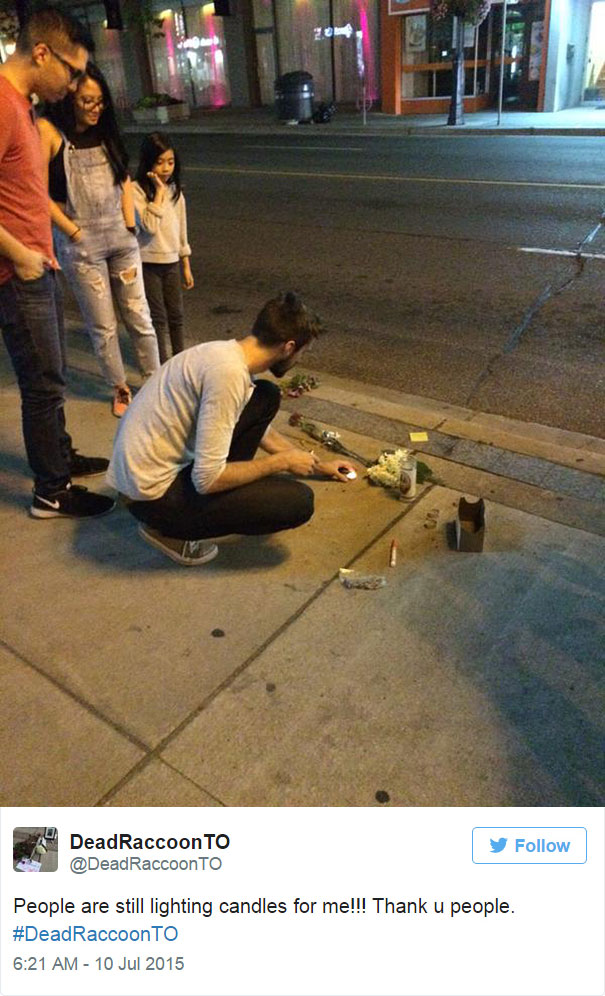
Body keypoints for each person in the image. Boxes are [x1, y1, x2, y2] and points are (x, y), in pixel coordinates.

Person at [107, 293, 357, 566]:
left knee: (265, 395)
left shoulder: (227, 353)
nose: (300, 358)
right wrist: (280, 463)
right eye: (302, 352)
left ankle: (218, 492)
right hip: (151, 498)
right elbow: (206, 480)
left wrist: (319, 466)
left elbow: (260, 430)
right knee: (296, 502)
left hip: (143, 477)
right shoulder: (228, 376)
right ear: (288, 347)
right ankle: (166, 532)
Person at [0, 6, 114, 519]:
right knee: (43, 384)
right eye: (70, 71)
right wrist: (21, 255)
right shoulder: (1, 104)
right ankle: (51, 491)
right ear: (41, 52)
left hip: (36, 265)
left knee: (54, 377)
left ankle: (60, 457)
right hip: (16, 272)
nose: (73, 85)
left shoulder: (20, 105)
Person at [37, 62, 160, 418]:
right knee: (103, 325)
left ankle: (154, 381)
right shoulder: (49, 131)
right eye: (88, 101)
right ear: (70, 99)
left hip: (120, 238)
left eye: (100, 101)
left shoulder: (105, 131)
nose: (95, 109)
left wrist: (128, 223)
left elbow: (123, 179)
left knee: (140, 316)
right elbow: (36, 191)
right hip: (80, 244)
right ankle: (120, 387)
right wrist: (72, 231)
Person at [133, 132, 193, 364]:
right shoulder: (138, 190)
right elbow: (149, 226)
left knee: (176, 315)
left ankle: (179, 359)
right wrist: (158, 192)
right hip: (148, 263)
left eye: (170, 162)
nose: (166, 168)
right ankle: (162, 362)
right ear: (148, 162)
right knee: (157, 317)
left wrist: (186, 264)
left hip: (171, 262)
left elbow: (181, 230)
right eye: (159, 162)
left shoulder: (175, 191)